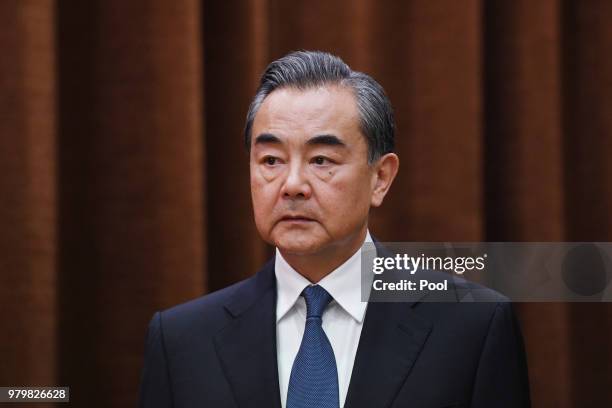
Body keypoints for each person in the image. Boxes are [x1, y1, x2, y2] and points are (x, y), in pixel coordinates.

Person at [139, 51, 531, 408]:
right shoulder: (182, 341)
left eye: (322, 159)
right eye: (271, 160)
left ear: (381, 178)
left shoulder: (473, 327)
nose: (292, 184)